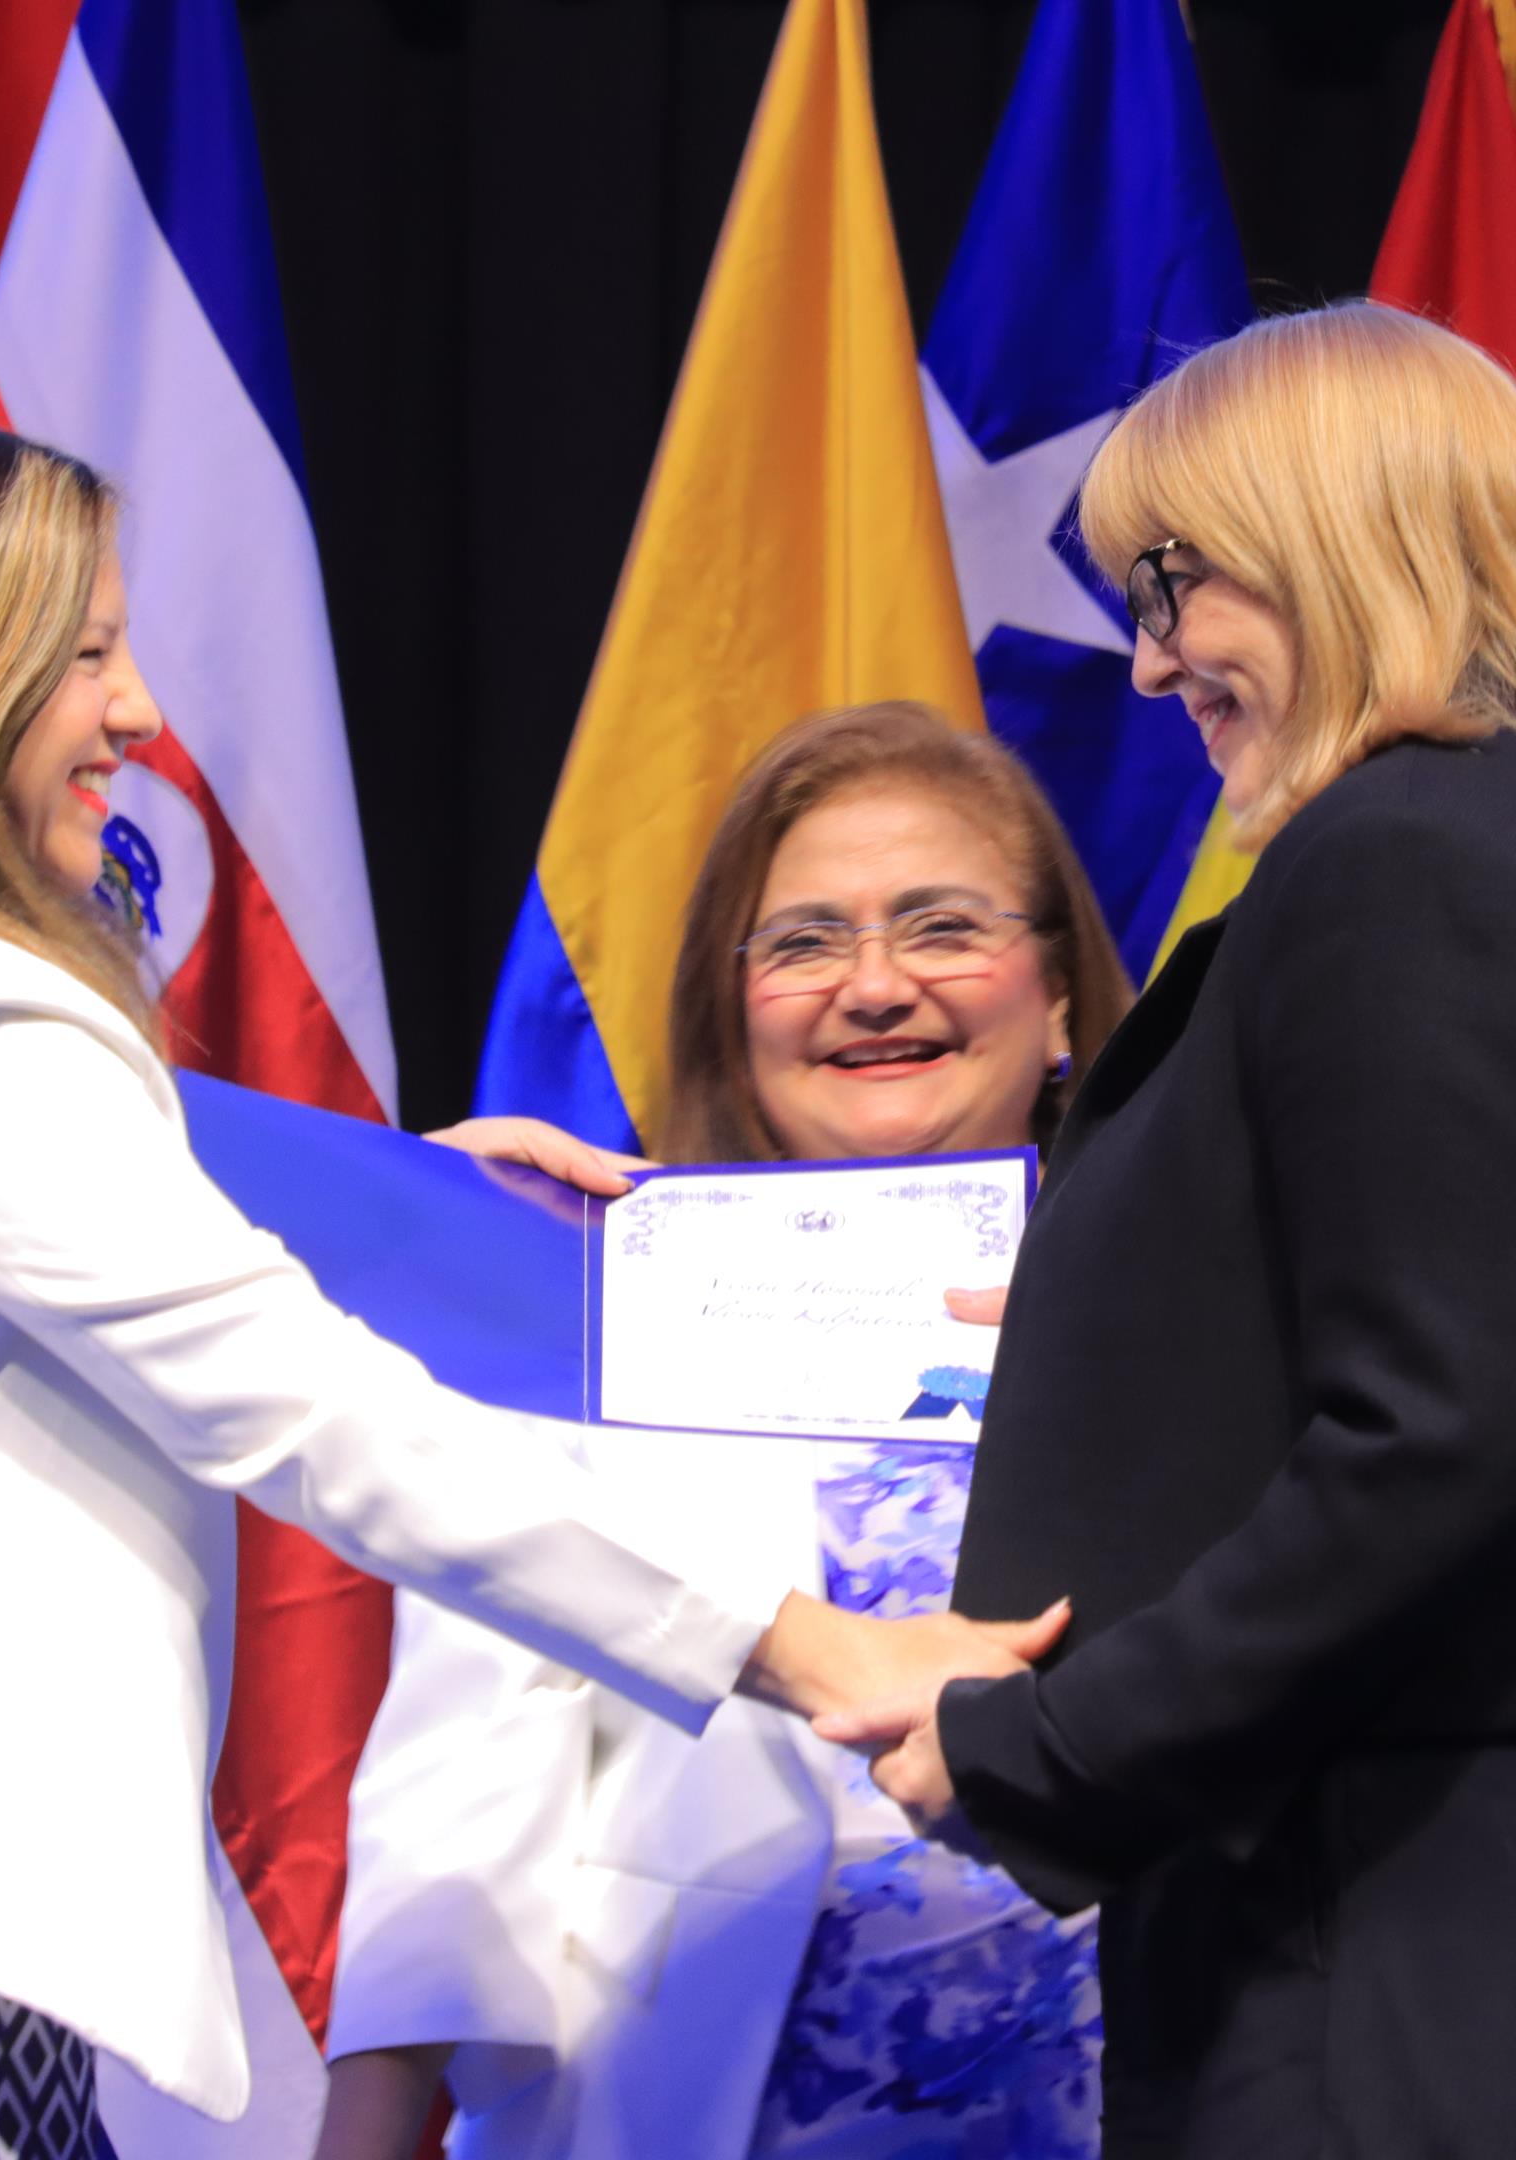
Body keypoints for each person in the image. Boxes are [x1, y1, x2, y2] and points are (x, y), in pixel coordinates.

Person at [0, 414, 1058, 2160]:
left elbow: (77, 1238)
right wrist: (818, 1650)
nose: (137, 712)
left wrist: (424, 1200)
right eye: (86, 654)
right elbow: (312, 1412)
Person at [818, 301, 1516, 2158]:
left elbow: (1434, 1444)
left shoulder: (1406, 857)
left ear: (1329, 532)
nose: (1146, 664)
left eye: (1171, 582)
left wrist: (1054, 1743)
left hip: (1419, 1881)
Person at [318, 701, 1137, 2160]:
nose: (873, 985)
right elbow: (461, 1783)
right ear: (733, 1008)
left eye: (942, 927)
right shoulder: (607, 1309)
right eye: (805, 942)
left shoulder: (1195, 1309)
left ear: (1062, 996)